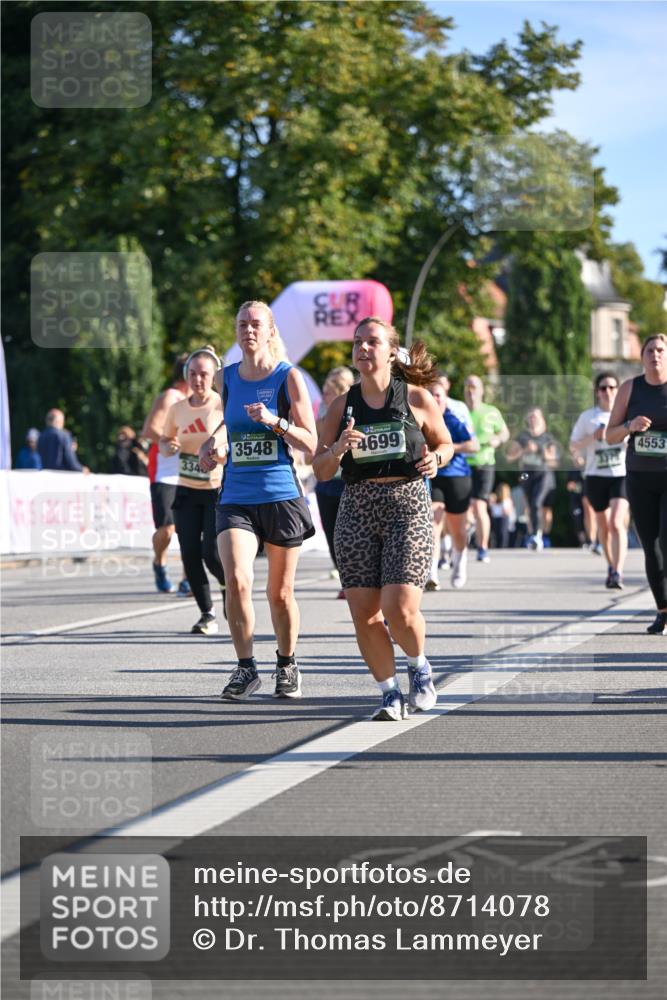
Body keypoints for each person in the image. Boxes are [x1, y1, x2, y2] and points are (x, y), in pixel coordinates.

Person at [313, 318, 453, 721]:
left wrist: (435, 459)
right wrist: (338, 448)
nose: (363, 348)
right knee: (365, 613)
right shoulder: (341, 406)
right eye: (357, 342)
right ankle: (389, 693)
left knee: (400, 608)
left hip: (407, 503)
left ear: (391, 351)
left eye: (372, 341)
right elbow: (320, 469)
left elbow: (444, 444)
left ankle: (419, 665)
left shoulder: (416, 398)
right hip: (357, 506)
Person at [199, 301, 317, 700]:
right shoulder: (225, 378)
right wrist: (212, 443)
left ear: (270, 331)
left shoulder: (289, 378)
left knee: (280, 593)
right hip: (236, 495)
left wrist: (275, 421)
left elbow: (311, 443)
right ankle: (245, 668)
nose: (248, 330)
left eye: (256, 325)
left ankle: (287, 662)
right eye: (242, 324)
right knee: (237, 579)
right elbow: (226, 422)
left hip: (280, 493)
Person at [160, 348, 226, 635]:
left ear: (213, 376)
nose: (198, 379)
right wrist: (168, 446)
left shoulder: (222, 405)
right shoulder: (177, 409)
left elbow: (233, 438)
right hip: (187, 489)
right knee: (188, 554)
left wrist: (219, 452)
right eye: (193, 373)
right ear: (186, 375)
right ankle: (207, 614)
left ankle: (230, 590)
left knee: (211, 552)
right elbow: (164, 441)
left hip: (216, 489)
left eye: (204, 374)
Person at [606, 334, 667, 635]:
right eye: (649, 351)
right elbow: (610, 435)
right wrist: (629, 426)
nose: (655, 355)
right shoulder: (631, 388)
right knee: (651, 548)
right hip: (640, 477)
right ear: (641, 356)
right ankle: (662, 610)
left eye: (660, 350)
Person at [570, 372, 628, 588]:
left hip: (620, 474)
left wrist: (625, 438)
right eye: (603, 388)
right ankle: (611, 566)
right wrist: (592, 437)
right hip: (595, 476)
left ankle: (619, 571)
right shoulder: (588, 417)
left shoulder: (626, 414)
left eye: (612, 387)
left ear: (618, 390)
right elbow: (573, 445)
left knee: (615, 523)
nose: (608, 392)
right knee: (603, 527)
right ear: (597, 392)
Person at [142, 354, 189, 594]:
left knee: (192, 528)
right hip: (165, 471)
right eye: (196, 372)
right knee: (167, 529)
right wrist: (174, 440)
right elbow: (149, 430)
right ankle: (159, 562)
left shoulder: (200, 401)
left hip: (191, 471)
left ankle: (187, 577)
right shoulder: (170, 397)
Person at [426, 378, 479, 590]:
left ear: (445, 398)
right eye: (431, 394)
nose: (435, 398)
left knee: (458, 530)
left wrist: (447, 449)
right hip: (433, 476)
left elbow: (473, 445)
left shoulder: (453, 418)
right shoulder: (421, 418)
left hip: (457, 475)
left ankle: (459, 561)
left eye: (438, 395)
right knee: (433, 523)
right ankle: (431, 573)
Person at [314, 366, 356, 597]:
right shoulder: (322, 417)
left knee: (346, 535)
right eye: (323, 392)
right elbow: (316, 443)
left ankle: (351, 582)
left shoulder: (351, 415)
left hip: (347, 482)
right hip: (325, 482)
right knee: (331, 535)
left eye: (328, 393)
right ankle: (343, 578)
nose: (324, 397)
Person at [463, 374, 510, 563]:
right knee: (462, 509)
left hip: (484, 463)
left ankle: (482, 548)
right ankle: (460, 546)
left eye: (475, 386)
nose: (471, 390)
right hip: (462, 465)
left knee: (479, 505)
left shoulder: (491, 411)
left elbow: (505, 432)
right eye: (468, 386)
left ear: (482, 391)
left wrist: (498, 440)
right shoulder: (460, 410)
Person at [506, 407, 560, 550]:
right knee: (530, 506)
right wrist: (523, 450)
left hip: (543, 474)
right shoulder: (522, 437)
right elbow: (509, 457)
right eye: (530, 417)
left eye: (535, 416)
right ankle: (533, 535)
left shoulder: (548, 438)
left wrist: (539, 450)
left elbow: (554, 461)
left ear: (542, 419)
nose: (533, 419)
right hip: (526, 474)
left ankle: (538, 535)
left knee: (538, 503)